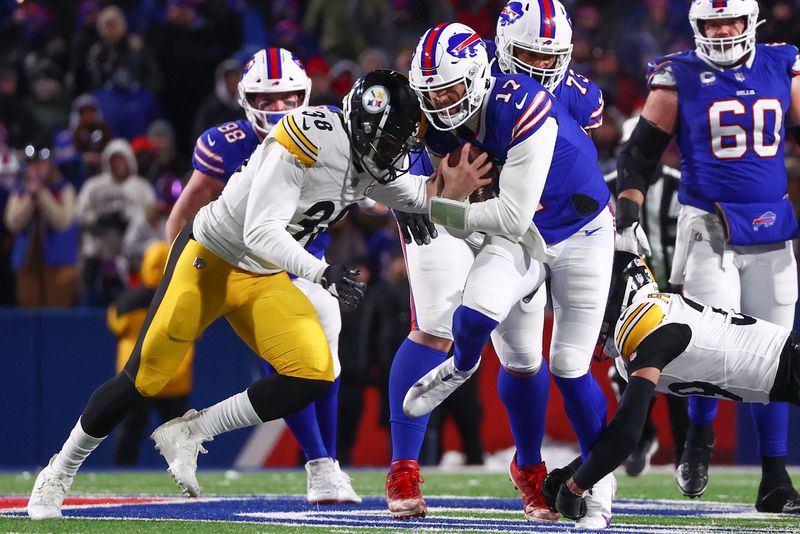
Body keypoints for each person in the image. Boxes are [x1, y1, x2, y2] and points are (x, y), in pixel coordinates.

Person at [26, 69, 440, 521]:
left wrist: (449, 200)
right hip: (212, 257)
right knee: (143, 377)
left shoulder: (364, 153)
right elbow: (260, 231)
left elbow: (401, 188)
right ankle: (58, 472)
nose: (396, 153)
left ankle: (193, 431)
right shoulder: (309, 136)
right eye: (391, 141)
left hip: (262, 274)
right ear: (364, 130)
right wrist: (320, 272)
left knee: (314, 371)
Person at [394, 20, 614, 528]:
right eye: (433, 93)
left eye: (450, 90)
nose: (442, 102)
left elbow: (506, 214)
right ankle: (461, 367)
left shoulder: (526, 99)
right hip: (520, 235)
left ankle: (598, 486)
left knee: (568, 364)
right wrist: (435, 198)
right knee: (473, 314)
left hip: (579, 228)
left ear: (478, 74)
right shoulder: (439, 110)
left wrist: (446, 208)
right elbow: (432, 192)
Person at [614, 0, 800, 512]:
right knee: (709, 343)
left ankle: (774, 476)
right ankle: (698, 434)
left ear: (750, 23)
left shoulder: (783, 63)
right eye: (711, 23)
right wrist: (629, 209)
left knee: (777, 353)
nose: (720, 31)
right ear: (696, 27)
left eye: (730, 21)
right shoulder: (679, 74)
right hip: (707, 226)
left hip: (771, 226)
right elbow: (641, 152)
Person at [165, 47, 360, 504]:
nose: (278, 109)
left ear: (305, 96)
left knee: (323, 358)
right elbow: (182, 216)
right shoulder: (227, 141)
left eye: (288, 99)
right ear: (245, 99)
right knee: (298, 357)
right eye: (267, 100)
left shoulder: (326, 134)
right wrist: (181, 273)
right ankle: (320, 465)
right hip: (242, 269)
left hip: (302, 262)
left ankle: (321, 464)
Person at [548, 254, 800, 522]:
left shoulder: (644, 323)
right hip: (781, 370)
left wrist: (576, 486)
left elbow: (627, 432)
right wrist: (575, 470)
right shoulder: (648, 324)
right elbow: (624, 431)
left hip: (787, 365)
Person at [109, 241, 193, 465]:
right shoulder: (183, 295)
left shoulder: (129, 299)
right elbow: (196, 328)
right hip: (175, 374)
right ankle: (184, 473)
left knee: (130, 432)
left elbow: (116, 325)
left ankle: (120, 477)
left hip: (138, 373)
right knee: (179, 438)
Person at [4, 145, 79, 307]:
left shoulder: (65, 189)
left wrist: (43, 194)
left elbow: (63, 222)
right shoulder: (20, 191)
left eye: (42, 163)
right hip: (27, 261)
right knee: (28, 307)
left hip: (59, 263)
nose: (38, 168)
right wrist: (30, 198)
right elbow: (12, 223)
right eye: (34, 164)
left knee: (58, 310)